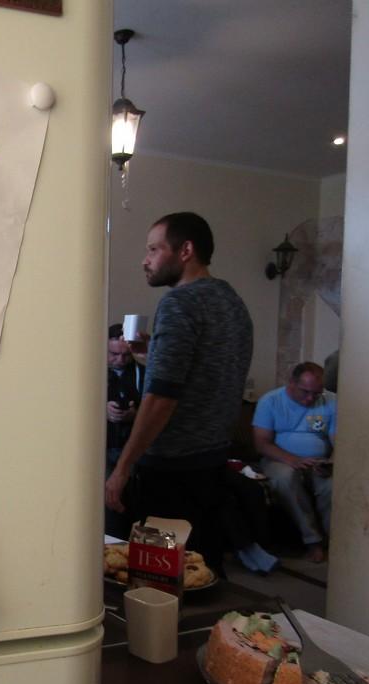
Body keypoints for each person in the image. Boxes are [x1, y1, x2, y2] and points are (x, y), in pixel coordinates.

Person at [105, 212, 253, 574]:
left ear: (185, 251)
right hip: (212, 461)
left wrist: (122, 468)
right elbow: (205, 371)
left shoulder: (179, 303)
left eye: (154, 249)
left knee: (160, 576)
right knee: (201, 569)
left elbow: (161, 398)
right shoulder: (233, 302)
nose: (145, 260)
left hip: (171, 470)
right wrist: (152, 353)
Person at [252, 362, 336, 563]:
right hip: (279, 459)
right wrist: (293, 460)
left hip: (318, 461)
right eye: (305, 392)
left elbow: (339, 441)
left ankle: (333, 542)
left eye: (316, 393)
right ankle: (313, 541)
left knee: (332, 486)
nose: (310, 398)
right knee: (285, 479)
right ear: (291, 383)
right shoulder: (270, 401)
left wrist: (331, 462)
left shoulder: (332, 401)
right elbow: (261, 443)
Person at [105, 323, 144, 538]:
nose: (120, 360)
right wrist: (101, 410)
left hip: (135, 450)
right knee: (108, 505)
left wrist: (134, 414)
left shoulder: (143, 374)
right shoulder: (88, 375)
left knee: (136, 504)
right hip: (102, 449)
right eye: (114, 354)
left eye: (126, 355)